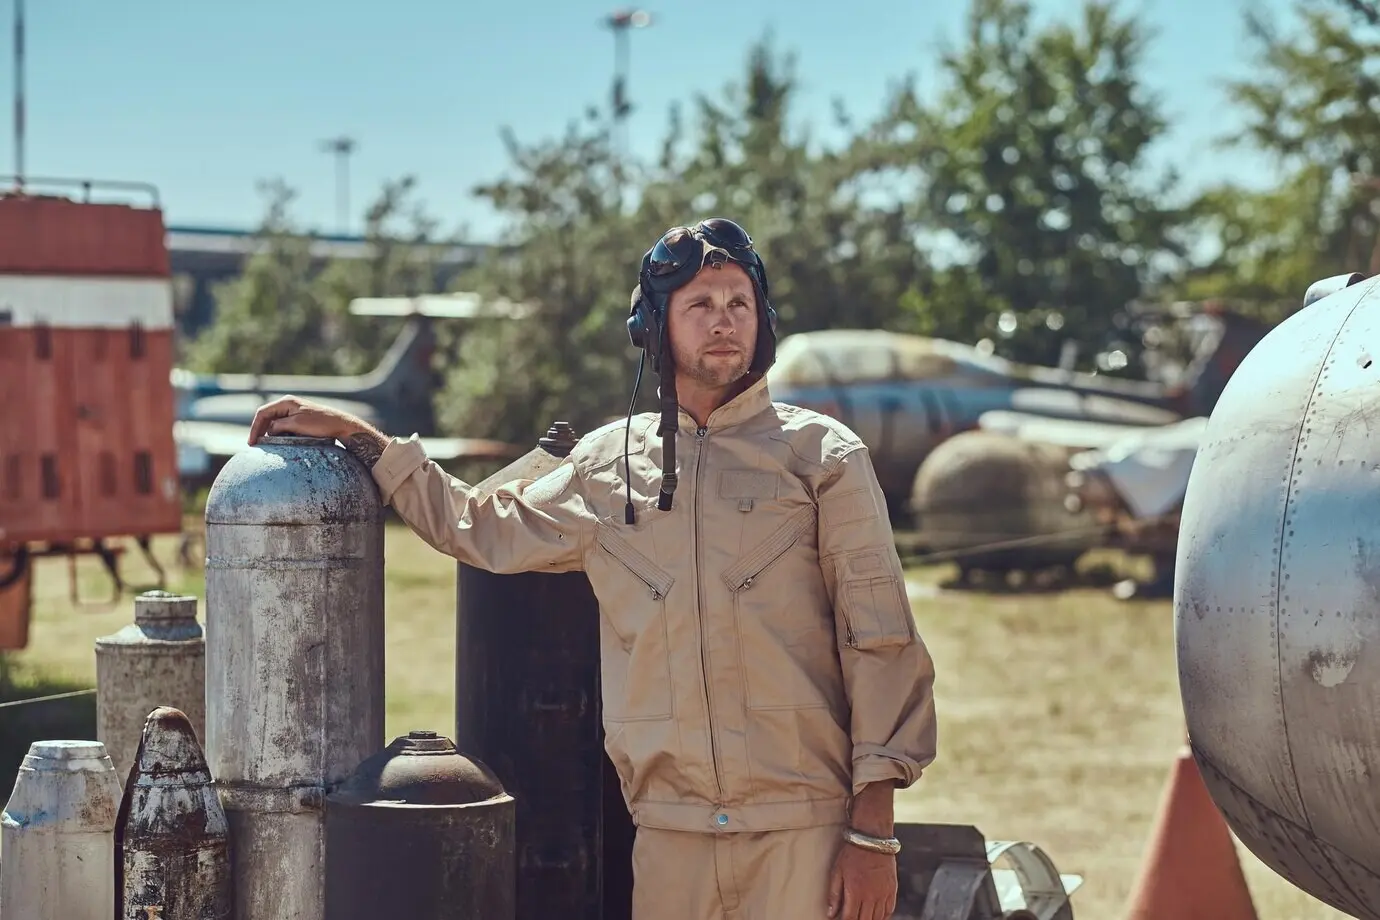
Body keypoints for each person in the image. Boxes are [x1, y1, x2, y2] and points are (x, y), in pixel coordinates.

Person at [248, 218, 938, 920]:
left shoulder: (823, 455)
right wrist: (362, 439)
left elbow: (879, 641)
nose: (723, 322)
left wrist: (871, 835)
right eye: (700, 305)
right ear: (652, 326)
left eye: (740, 304)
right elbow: (477, 527)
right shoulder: (608, 467)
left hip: (804, 832)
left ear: (765, 322)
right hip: (670, 837)